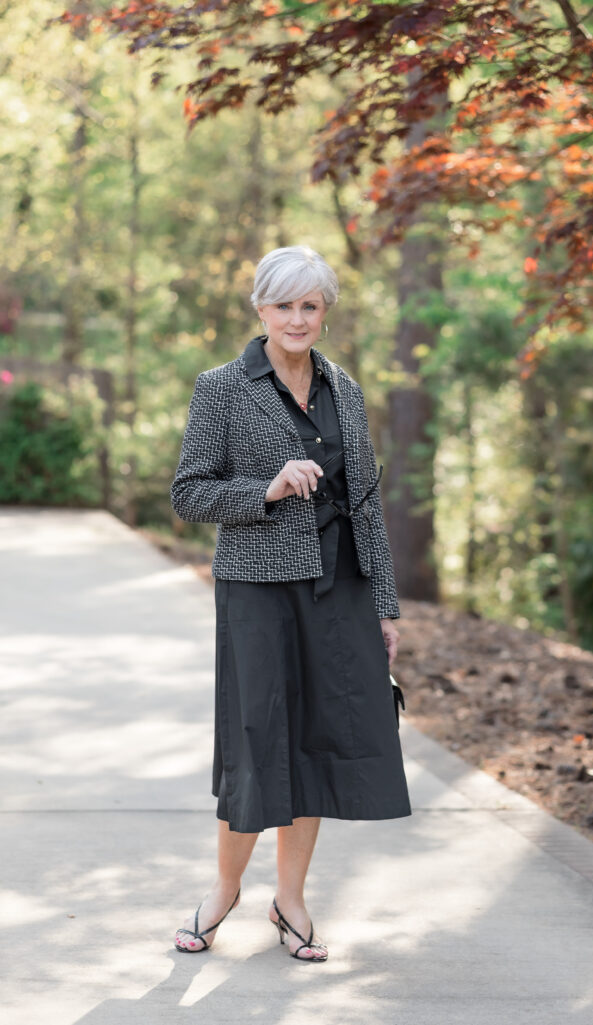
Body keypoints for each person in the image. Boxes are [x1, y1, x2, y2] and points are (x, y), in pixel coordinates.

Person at [170, 244, 411, 962]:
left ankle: (292, 898)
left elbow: (365, 505)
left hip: (339, 588)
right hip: (256, 589)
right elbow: (187, 493)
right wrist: (266, 489)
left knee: (313, 742)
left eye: (310, 305)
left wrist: (385, 606)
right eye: (284, 305)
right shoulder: (220, 387)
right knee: (255, 739)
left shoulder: (346, 389)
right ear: (260, 309)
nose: (297, 318)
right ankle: (224, 888)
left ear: (324, 312)